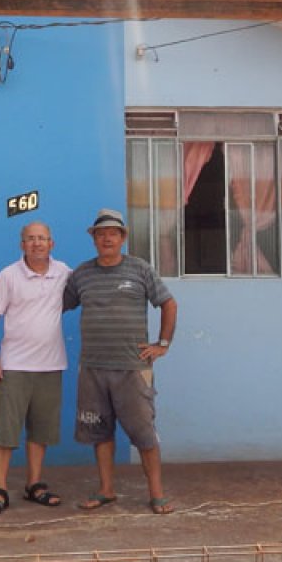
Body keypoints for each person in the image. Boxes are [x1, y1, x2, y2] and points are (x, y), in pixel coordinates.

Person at [64, 208, 177, 514]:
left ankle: (156, 493)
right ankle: (106, 491)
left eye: (113, 233)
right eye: (101, 234)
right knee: (99, 433)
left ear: (122, 238)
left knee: (144, 433)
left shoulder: (140, 269)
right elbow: (56, 305)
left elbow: (168, 303)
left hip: (132, 369)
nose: (107, 238)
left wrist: (162, 344)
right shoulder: (81, 274)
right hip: (93, 368)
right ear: (94, 239)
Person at [0, 220, 71, 516]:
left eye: (42, 238)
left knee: (40, 430)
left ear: (51, 244)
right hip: (14, 365)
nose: (37, 243)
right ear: (22, 245)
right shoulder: (8, 276)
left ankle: (34, 484)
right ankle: (0, 489)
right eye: (30, 239)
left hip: (51, 365)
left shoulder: (64, 274)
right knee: (6, 430)